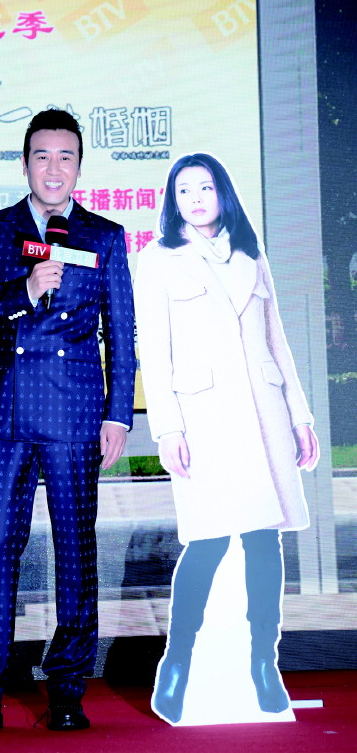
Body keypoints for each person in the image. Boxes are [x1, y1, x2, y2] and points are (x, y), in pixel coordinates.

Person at [0, 109, 136, 734]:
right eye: (41, 156)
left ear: (79, 166)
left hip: (76, 413)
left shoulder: (105, 236)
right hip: (9, 411)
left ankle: (67, 690)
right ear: (25, 163)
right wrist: (24, 291)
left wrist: (119, 415)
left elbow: (122, 332)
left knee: (75, 551)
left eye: (65, 157)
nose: (53, 169)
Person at [134, 153, 319, 724]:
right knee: (208, 541)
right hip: (204, 418)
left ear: (223, 194)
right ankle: (177, 663)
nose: (195, 199)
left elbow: (277, 340)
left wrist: (300, 416)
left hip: (264, 415)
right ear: (173, 200)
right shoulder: (158, 259)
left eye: (205, 188)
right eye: (183, 190)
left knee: (264, 538)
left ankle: (264, 662)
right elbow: (153, 354)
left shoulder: (250, 254)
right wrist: (168, 428)